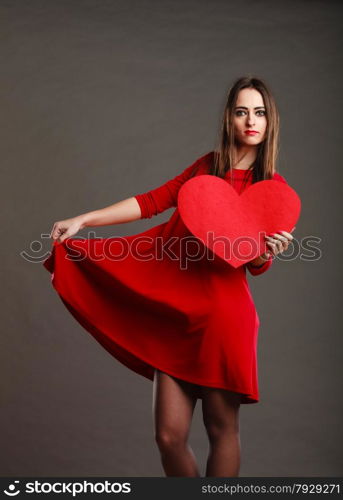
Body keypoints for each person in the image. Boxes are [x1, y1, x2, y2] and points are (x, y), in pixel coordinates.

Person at [43, 76, 295, 477]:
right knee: (168, 437)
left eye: (260, 112)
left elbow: (255, 264)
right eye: (242, 110)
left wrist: (267, 253)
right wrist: (84, 220)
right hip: (175, 315)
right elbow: (151, 202)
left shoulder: (272, 188)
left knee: (221, 430)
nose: (251, 120)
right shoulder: (206, 168)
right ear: (229, 117)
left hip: (223, 319)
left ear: (270, 122)